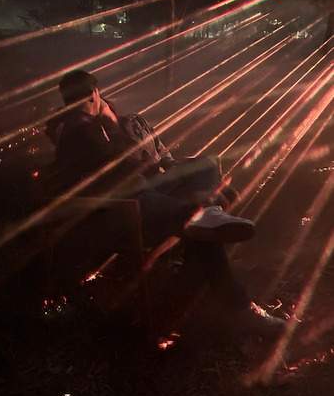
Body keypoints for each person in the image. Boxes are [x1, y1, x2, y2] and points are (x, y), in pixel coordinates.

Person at [46, 69, 284, 336]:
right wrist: (102, 126)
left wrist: (164, 165)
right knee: (200, 231)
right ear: (90, 95)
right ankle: (235, 302)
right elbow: (116, 170)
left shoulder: (120, 122)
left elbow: (154, 157)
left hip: (149, 192)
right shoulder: (77, 131)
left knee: (205, 166)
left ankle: (206, 215)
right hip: (122, 206)